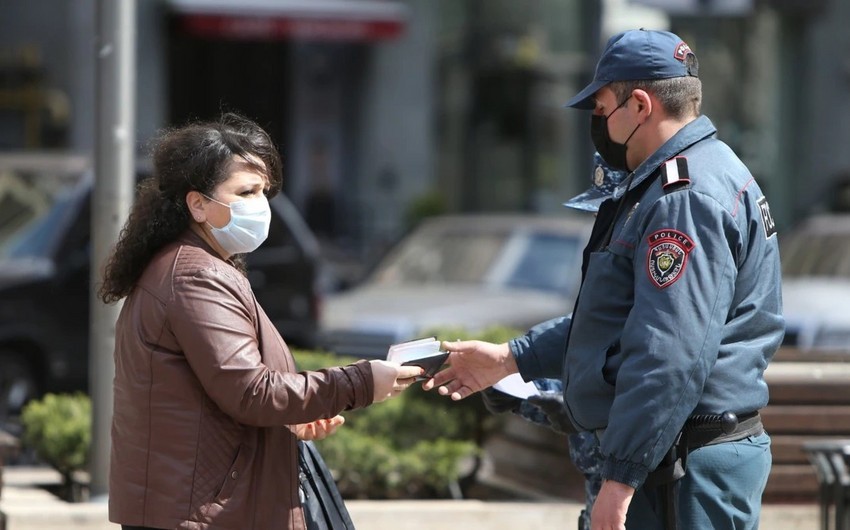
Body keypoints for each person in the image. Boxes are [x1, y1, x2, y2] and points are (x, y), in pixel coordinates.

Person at [425, 29, 783, 530]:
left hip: (682, 467)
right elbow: (621, 320)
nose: (597, 124)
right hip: (677, 456)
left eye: (601, 108)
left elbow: (668, 351)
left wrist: (620, 479)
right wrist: (512, 357)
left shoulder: (684, 197)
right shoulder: (691, 177)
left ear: (639, 105)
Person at [99, 113, 423, 530]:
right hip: (201, 514)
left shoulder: (192, 265)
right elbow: (251, 392)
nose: (261, 205)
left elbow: (222, 393)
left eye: (263, 192)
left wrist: (287, 418)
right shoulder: (197, 275)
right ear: (197, 204)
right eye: (246, 191)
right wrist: (361, 382)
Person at [479, 152, 626, 530]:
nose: (601, 224)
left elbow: (648, 388)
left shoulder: (651, 292)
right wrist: (518, 393)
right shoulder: (606, 282)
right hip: (598, 496)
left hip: (636, 496)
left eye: (609, 213)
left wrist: (573, 408)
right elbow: (580, 357)